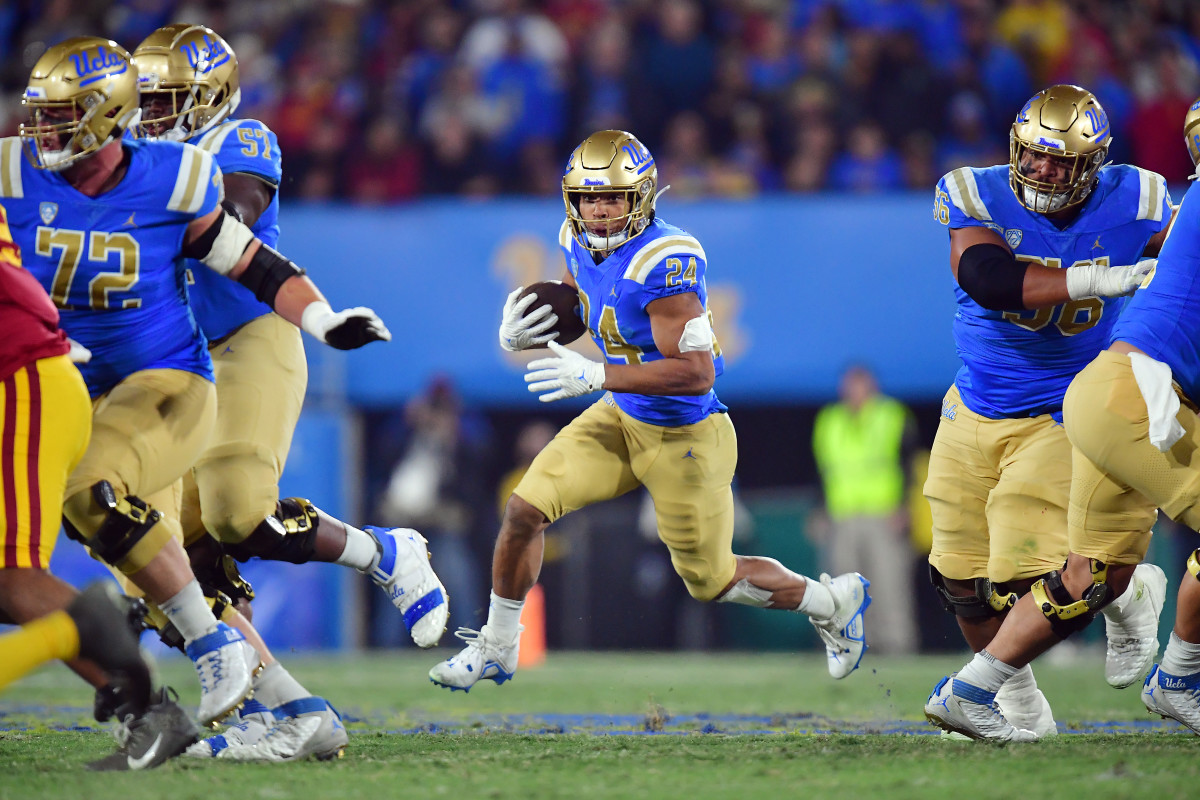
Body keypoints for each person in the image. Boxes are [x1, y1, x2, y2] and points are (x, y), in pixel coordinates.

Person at [3, 36, 384, 729]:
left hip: (166, 381)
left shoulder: (177, 176)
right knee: (148, 566)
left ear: (104, 114)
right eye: (42, 113)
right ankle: (297, 713)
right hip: (82, 388)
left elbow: (250, 262)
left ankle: (215, 646)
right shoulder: (12, 169)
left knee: (93, 494)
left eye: (62, 115)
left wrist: (324, 321)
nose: (42, 129)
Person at [429, 129, 871, 691]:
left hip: (686, 436)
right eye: (588, 198)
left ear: (642, 197)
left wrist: (596, 374)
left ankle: (832, 603)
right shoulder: (574, 237)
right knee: (523, 511)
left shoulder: (667, 261)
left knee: (711, 580)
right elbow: (583, 303)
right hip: (622, 416)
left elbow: (695, 374)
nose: (599, 210)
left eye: (612, 197)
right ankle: (497, 645)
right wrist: (532, 330)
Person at [131, 24, 448, 650]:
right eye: (142, 99)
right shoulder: (135, 161)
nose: (148, 114)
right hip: (179, 357)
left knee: (237, 512)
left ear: (208, 94)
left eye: (163, 98)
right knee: (159, 555)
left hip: (249, 336)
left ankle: (386, 552)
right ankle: (270, 705)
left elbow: (234, 219)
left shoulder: (239, 138)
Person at [922, 84, 1174, 741]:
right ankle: (1022, 711)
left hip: (1065, 408)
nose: (1039, 172)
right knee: (958, 581)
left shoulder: (1140, 199)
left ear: (1091, 165)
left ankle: (1128, 589)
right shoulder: (975, 191)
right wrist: (1101, 279)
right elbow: (989, 279)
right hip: (973, 401)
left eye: (1058, 162)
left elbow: (1183, 270)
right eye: (1031, 156)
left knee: (1019, 579)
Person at [0, 206, 195, 770]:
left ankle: (148, 702)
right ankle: (118, 660)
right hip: (32, 375)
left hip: (20, 377)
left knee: (14, 578)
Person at [813, 364, 918, 656]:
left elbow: (909, 465)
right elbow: (822, 470)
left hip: (882, 513)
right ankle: (849, 644)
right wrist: (819, 509)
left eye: (860, 384)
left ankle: (896, 644)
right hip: (842, 514)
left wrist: (904, 508)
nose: (854, 391)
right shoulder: (829, 420)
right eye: (849, 384)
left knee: (888, 582)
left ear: (872, 386)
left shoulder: (892, 416)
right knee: (843, 586)